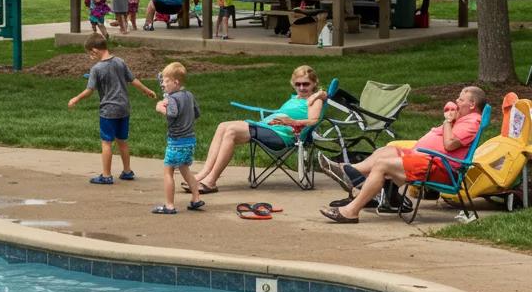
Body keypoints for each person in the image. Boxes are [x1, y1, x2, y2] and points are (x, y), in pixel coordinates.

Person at [318, 86, 487, 224]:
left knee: (383, 165)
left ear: (472, 104)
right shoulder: (463, 118)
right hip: (426, 160)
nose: (456, 101)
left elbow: (449, 144)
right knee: (385, 151)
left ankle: (351, 211)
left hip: (438, 167)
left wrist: (448, 121)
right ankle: (348, 171)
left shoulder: (472, 121)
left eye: (461, 99)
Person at [192, 65, 327, 195]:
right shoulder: (295, 98)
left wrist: (293, 121)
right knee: (223, 126)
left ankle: (211, 181)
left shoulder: (315, 100)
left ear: (314, 83)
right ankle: (204, 173)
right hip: (268, 128)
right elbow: (323, 93)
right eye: (298, 84)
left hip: (282, 135)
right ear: (293, 83)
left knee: (231, 131)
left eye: (306, 84)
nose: (302, 88)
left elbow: (314, 120)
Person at [68, 35, 156, 184]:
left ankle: (107, 175)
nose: (90, 56)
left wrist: (76, 98)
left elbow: (90, 90)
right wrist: (146, 90)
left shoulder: (96, 69)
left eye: (90, 53)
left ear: (95, 50)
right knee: (122, 141)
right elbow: (133, 80)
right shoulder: (120, 62)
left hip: (108, 110)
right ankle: (127, 171)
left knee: (106, 142)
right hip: (124, 108)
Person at [151, 62, 203, 214]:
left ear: (176, 82)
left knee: (168, 172)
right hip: (190, 141)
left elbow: (172, 114)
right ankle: (196, 198)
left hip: (176, 142)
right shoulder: (189, 95)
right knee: (186, 170)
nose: (163, 84)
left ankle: (169, 205)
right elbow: (197, 114)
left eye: (166, 81)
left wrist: (161, 107)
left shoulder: (173, 99)